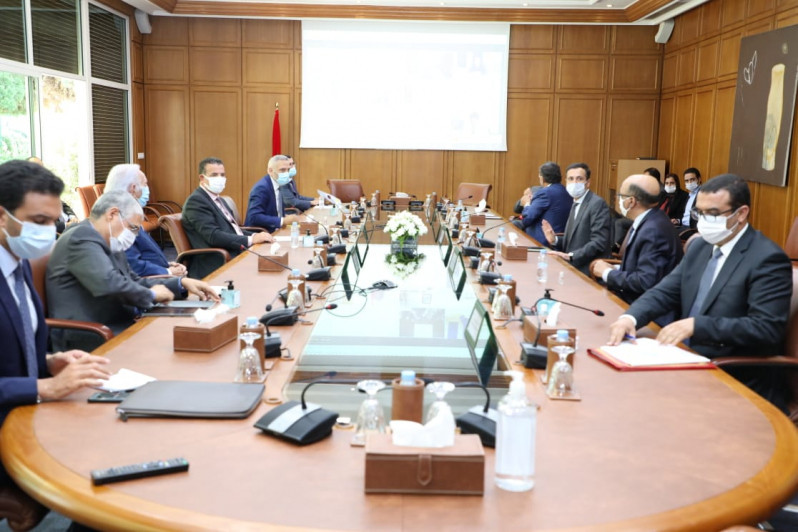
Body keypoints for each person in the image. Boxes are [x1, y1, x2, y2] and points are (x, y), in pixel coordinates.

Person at [608, 174, 792, 411]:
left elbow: (766, 328)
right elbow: (665, 291)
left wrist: (697, 325)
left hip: (732, 375)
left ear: (741, 213)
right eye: (699, 213)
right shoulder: (701, 246)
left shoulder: (767, 258)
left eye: (712, 214)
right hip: (684, 356)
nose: (704, 221)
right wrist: (630, 318)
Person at [0, 160, 110, 490]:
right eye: (39, 221)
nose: (49, 231)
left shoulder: (16, 262)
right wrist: (44, 387)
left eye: (53, 221)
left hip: (28, 413)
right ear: (2, 216)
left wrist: (49, 362)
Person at [46, 191, 218, 351]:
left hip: (116, 323)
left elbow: (133, 280)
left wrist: (181, 283)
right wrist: (151, 294)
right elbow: (109, 284)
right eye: (133, 228)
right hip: (91, 334)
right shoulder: (80, 238)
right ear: (112, 214)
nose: (134, 235)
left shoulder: (108, 240)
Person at [590, 174, 682, 311]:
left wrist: (607, 273)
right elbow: (642, 266)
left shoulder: (653, 230)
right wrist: (616, 268)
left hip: (647, 310)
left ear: (631, 201)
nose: (619, 200)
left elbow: (645, 281)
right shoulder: (652, 219)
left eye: (621, 196)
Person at [182, 157, 274, 279]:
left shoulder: (219, 199)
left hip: (233, 251)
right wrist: (251, 239)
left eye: (222, 175)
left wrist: (257, 235)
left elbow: (233, 230)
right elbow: (213, 236)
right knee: (269, 271)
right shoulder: (196, 201)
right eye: (214, 175)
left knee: (274, 261)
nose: (219, 178)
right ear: (202, 178)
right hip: (216, 260)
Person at [104, 163, 187, 277]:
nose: (147, 189)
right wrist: (168, 271)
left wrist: (167, 265)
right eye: (145, 184)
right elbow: (133, 266)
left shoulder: (127, 215)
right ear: (133, 188)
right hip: (149, 284)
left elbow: (143, 254)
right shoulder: (119, 221)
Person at [541, 163, 611, 275]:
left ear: (588, 182)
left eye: (579, 179)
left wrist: (572, 256)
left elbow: (599, 242)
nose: (574, 182)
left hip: (587, 268)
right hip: (573, 264)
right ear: (566, 182)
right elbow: (574, 239)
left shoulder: (597, 204)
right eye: (571, 179)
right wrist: (555, 240)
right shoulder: (576, 202)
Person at [245, 155, 303, 231]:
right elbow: (254, 217)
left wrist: (289, 218)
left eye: (288, 170)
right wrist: (283, 221)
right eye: (282, 170)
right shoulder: (261, 188)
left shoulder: (278, 183)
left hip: (276, 229)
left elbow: (276, 212)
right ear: (270, 171)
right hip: (262, 232)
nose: (286, 173)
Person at [520, 162, 572, 246]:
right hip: (560, 240)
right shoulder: (567, 191)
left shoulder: (545, 193)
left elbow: (527, 219)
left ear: (542, 178)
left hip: (542, 241)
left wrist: (526, 204)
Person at [26, 156, 78, 233]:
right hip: (59, 232)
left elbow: (63, 204)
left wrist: (72, 217)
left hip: (70, 225)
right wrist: (65, 225)